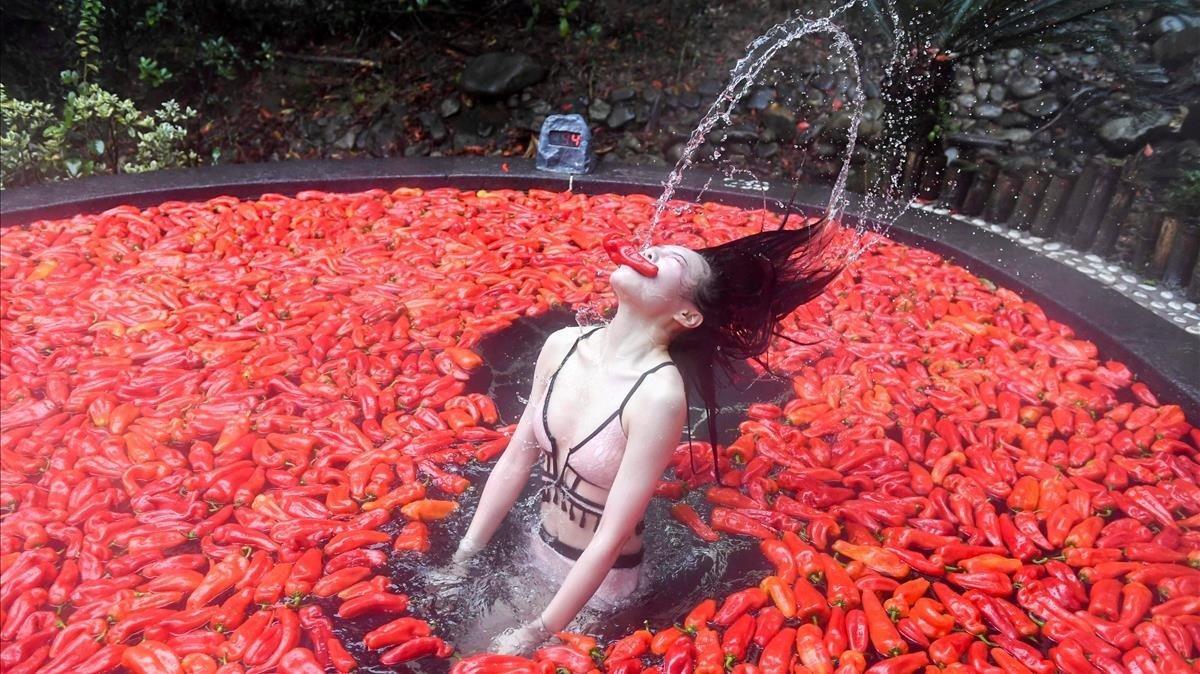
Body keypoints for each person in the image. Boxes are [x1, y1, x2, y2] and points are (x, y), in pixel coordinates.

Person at [450, 216, 842, 654]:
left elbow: (610, 536)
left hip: (600, 588)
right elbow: (515, 461)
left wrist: (536, 631)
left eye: (671, 259)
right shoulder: (562, 345)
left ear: (687, 313)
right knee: (462, 652)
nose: (650, 251)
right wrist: (464, 556)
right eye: (655, 248)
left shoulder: (658, 395)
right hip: (534, 547)